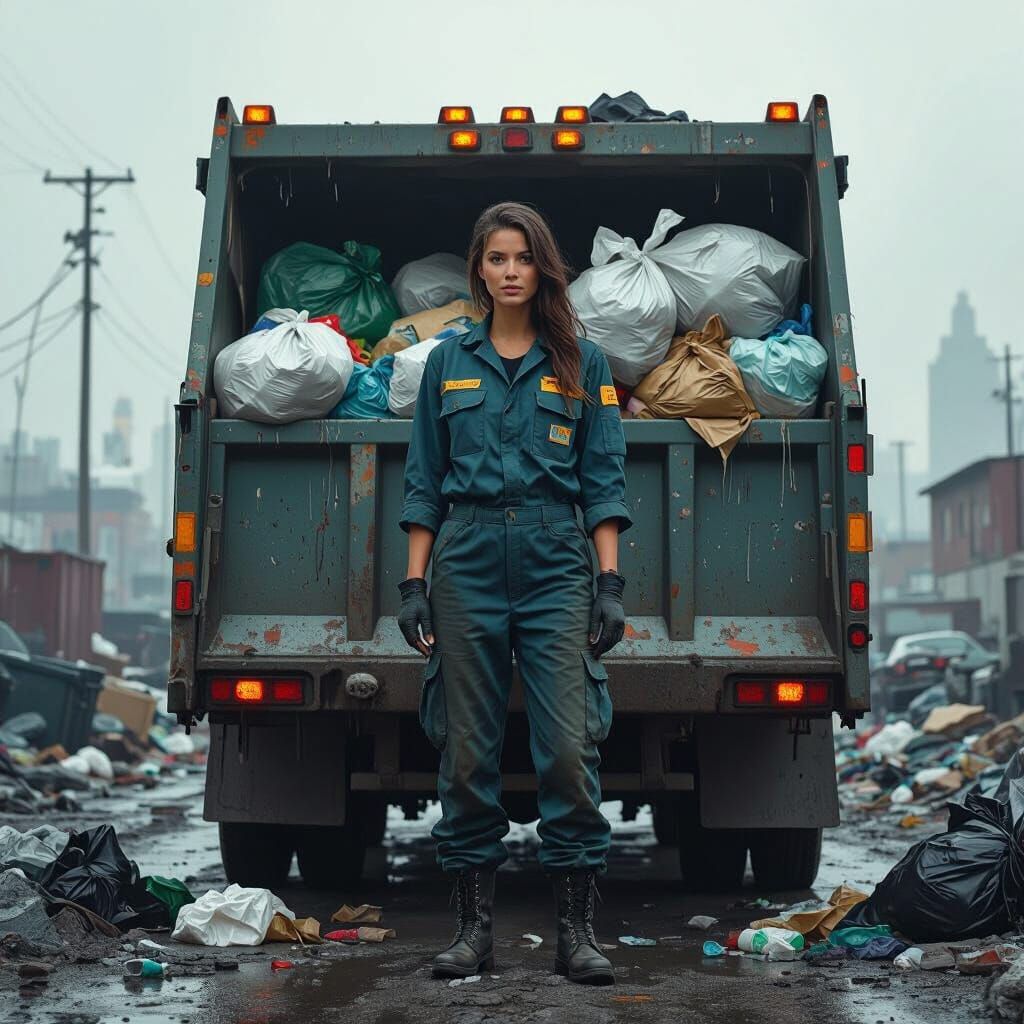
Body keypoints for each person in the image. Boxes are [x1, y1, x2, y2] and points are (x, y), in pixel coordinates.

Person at [397, 201, 631, 986]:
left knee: (567, 750)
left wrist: (608, 584)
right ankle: (473, 935)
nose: (508, 271)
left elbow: (602, 483)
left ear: (542, 270)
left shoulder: (581, 365)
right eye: (495, 258)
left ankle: (577, 934)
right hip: (465, 561)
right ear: (479, 271)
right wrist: (414, 585)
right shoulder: (446, 363)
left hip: (553, 562)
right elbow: (425, 482)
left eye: (521, 258)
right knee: (467, 753)